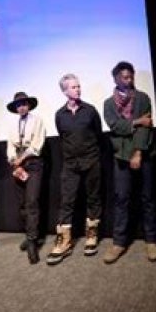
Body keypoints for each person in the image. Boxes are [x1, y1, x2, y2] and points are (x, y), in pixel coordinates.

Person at [102, 61, 156, 264]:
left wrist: (137, 152)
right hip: (120, 155)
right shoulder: (108, 104)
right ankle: (119, 243)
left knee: (148, 197)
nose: (129, 80)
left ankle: (151, 240)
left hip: (143, 153)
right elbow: (115, 126)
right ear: (116, 79)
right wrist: (136, 121)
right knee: (121, 198)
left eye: (131, 76)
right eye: (125, 77)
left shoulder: (143, 98)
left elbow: (146, 127)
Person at [47, 73, 103, 265]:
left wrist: (93, 156)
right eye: (73, 87)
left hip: (91, 161)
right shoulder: (59, 115)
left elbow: (98, 135)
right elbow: (63, 138)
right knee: (66, 201)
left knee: (93, 198)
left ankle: (91, 235)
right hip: (70, 164)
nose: (78, 89)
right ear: (64, 91)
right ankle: (65, 241)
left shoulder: (90, 110)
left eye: (78, 86)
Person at [6, 91, 46, 264]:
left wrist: (21, 158)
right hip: (18, 165)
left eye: (23, 104)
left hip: (33, 163)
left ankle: (32, 241)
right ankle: (30, 234)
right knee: (22, 203)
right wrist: (13, 161)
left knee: (32, 202)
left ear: (28, 105)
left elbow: (37, 145)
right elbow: (10, 146)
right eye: (18, 105)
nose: (21, 107)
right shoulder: (12, 124)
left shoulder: (37, 121)